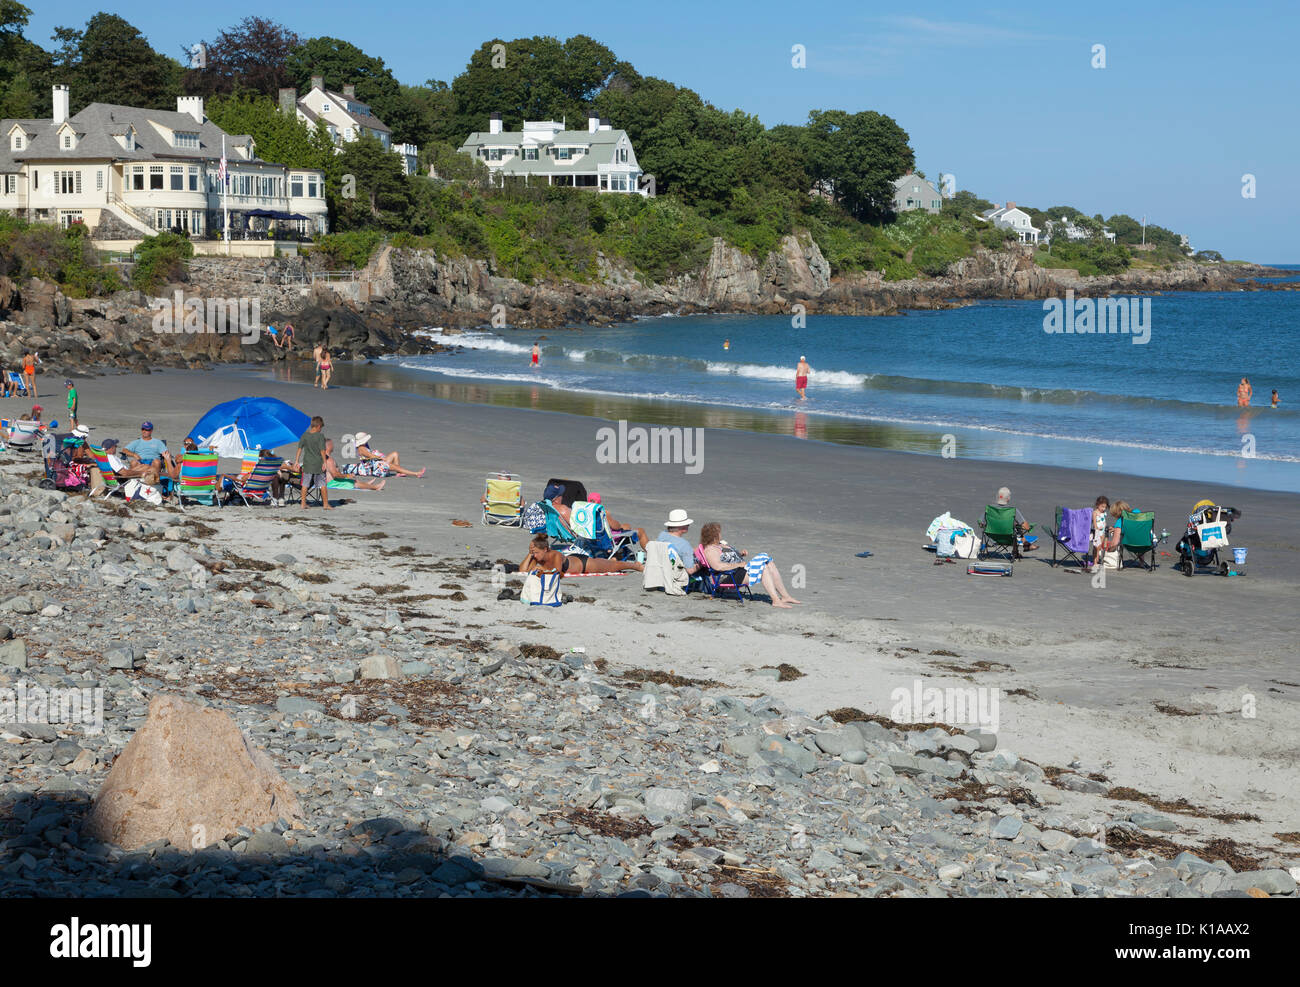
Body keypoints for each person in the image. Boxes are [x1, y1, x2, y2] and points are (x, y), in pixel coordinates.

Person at [698, 522, 800, 607]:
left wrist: (740, 554)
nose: (721, 534)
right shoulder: (710, 550)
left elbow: (729, 557)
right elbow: (718, 567)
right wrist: (737, 565)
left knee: (768, 562)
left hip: (738, 571)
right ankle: (775, 600)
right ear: (714, 535)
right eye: (719, 532)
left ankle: (785, 596)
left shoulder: (719, 545)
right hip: (729, 575)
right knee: (763, 567)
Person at [519, 533, 642, 576]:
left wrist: (540, 570)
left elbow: (556, 572)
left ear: (545, 549)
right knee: (608, 564)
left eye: (535, 552)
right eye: (533, 552)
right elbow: (522, 571)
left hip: (584, 564)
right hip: (574, 560)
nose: (534, 555)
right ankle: (613, 560)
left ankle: (634, 565)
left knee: (613, 567)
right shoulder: (537, 557)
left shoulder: (555, 555)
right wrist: (530, 555)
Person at [349, 432, 426, 477]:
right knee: (396, 467)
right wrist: (382, 458)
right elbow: (372, 456)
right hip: (375, 468)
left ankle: (399, 473)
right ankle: (416, 473)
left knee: (395, 454)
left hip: (375, 464)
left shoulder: (363, 446)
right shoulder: (362, 449)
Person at [295, 415, 330, 510]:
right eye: (321, 427)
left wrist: (296, 461)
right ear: (318, 426)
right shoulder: (320, 436)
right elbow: (322, 451)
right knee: (322, 484)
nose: (321, 429)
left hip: (307, 463)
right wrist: (325, 462)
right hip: (318, 464)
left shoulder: (305, 435)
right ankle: (325, 504)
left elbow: (299, 449)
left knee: (305, 484)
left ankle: (303, 504)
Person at [656, 508, 700, 575]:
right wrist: (701, 564)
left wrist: (692, 550)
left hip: (661, 571)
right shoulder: (684, 545)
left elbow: (678, 549)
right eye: (687, 524)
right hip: (675, 576)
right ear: (681, 527)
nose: (688, 526)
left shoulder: (662, 535)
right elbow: (690, 570)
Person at [994, 486, 1036, 551]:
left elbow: (981, 524)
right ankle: (1025, 545)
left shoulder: (990, 509)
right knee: (1017, 525)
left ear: (998, 497)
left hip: (993, 537)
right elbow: (1026, 527)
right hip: (1008, 537)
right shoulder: (1013, 511)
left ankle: (1026, 544)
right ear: (1008, 498)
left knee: (1014, 524)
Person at [1087, 495, 1110, 569]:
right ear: (1097, 505)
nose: (1103, 509)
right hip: (1097, 532)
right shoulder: (1095, 512)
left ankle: (1097, 560)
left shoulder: (1103, 513)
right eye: (1102, 507)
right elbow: (1094, 523)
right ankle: (1095, 562)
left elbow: (1103, 520)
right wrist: (1097, 529)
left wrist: (1105, 526)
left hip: (1102, 531)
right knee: (1096, 547)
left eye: (1105, 507)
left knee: (1099, 547)